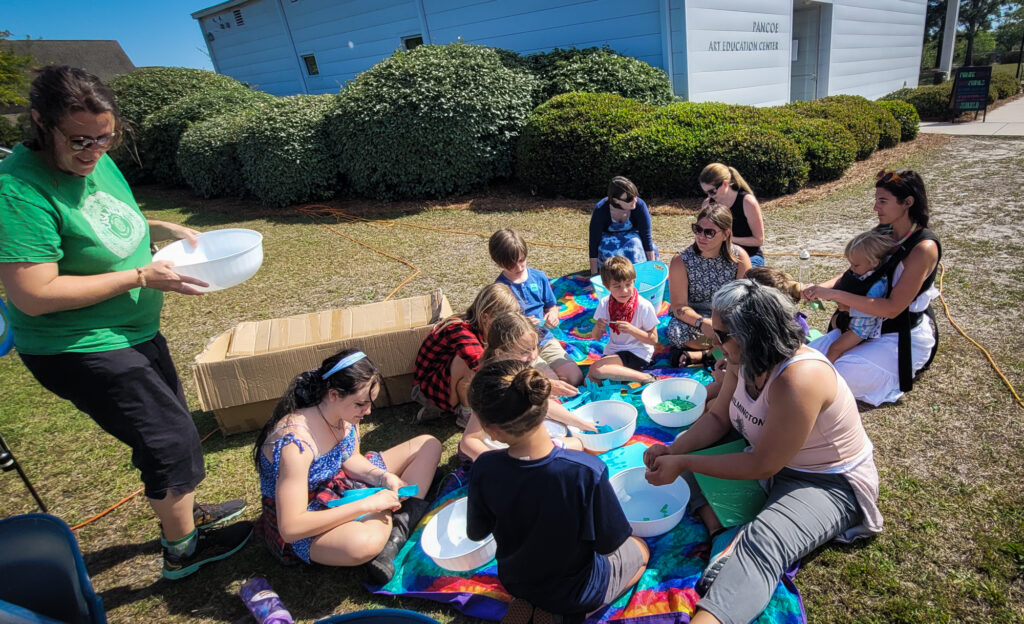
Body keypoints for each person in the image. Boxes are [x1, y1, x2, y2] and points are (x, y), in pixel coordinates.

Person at [0, 65, 250, 580]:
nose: (93, 152)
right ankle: (183, 551)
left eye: (105, 139)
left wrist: (152, 224)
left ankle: (186, 516)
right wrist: (138, 274)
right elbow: (33, 295)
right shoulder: (16, 192)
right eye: (79, 141)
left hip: (132, 331)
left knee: (173, 427)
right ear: (40, 124)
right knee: (169, 441)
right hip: (77, 344)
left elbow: (104, 212)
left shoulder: (96, 161)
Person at [644, 280, 882, 624]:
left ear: (753, 335)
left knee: (764, 542)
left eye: (722, 333)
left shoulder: (800, 378)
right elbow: (716, 416)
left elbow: (761, 463)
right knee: (687, 462)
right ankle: (722, 534)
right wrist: (673, 451)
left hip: (826, 481)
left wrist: (683, 462)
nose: (714, 339)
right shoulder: (741, 359)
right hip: (768, 461)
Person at [466, 359, 649, 621]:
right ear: (545, 403)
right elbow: (610, 544)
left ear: (491, 431)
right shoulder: (587, 472)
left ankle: (535, 606)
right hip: (577, 592)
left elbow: (477, 532)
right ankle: (575, 615)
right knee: (641, 550)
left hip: (516, 582)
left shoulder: (484, 467)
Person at [253, 349, 442, 584]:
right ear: (333, 395)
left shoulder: (343, 416)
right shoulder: (296, 444)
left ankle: (394, 533)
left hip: (341, 485)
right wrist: (369, 503)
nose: (368, 411)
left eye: (370, 402)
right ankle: (395, 528)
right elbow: (291, 527)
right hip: (311, 514)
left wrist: (384, 478)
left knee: (429, 445)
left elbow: (350, 459)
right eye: (361, 404)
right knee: (363, 544)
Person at [804, 170, 941, 405]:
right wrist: (818, 288)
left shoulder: (923, 248)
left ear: (907, 203)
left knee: (840, 373)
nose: (876, 207)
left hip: (899, 333)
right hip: (864, 325)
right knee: (807, 362)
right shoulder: (884, 232)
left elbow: (892, 309)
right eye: (876, 200)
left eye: (883, 201)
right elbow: (859, 270)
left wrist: (834, 293)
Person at [458, 312, 589, 461]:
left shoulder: (521, 371)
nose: (533, 356)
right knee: (575, 444)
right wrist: (499, 464)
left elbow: (546, 404)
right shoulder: (491, 386)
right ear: (500, 353)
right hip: (502, 450)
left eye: (534, 348)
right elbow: (468, 440)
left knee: (574, 440)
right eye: (525, 352)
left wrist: (582, 424)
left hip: (518, 440)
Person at [411, 283, 520, 425]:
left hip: (443, 382)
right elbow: (480, 364)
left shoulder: (478, 326)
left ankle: (455, 406)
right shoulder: (459, 329)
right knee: (471, 363)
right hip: (428, 391)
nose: (505, 328)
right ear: (486, 317)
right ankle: (463, 413)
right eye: (502, 323)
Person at [489, 228, 583, 385]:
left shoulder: (538, 277)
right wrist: (522, 325)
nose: (519, 268)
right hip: (523, 348)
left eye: (521, 260)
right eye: (511, 265)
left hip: (545, 338)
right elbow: (501, 327)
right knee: (548, 384)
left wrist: (553, 315)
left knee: (575, 378)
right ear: (499, 262)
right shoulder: (500, 289)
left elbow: (551, 305)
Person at [666, 204, 751, 367]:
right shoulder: (681, 261)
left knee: (749, 326)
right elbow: (679, 307)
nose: (701, 236)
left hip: (728, 316)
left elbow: (745, 299)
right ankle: (723, 352)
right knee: (676, 331)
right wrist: (701, 322)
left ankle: (704, 355)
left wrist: (724, 323)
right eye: (697, 229)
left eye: (709, 232)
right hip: (696, 318)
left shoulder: (739, 257)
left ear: (726, 234)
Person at [822, 230, 894, 363]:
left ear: (874, 263)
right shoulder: (864, 273)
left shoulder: (876, 286)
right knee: (834, 324)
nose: (852, 268)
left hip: (860, 328)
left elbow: (871, 311)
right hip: (853, 320)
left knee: (835, 348)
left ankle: (827, 370)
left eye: (855, 265)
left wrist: (848, 308)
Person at [589, 256, 660, 385]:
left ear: (634, 281)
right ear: (606, 286)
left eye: (628, 284)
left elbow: (653, 339)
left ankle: (646, 378)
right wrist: (598, 327)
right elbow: (596, 337)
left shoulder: (643, 305)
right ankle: (623, 380)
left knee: (596, 369)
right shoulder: (605, 303)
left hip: (638, 352)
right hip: (614, 351)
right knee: (590, 380)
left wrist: (632, 330)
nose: (624, 291)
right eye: (617, 286)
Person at [699, 163, 765, 266]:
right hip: (720, 256)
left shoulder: (747, 202)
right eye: (706, 192)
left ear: (725, 184)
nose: (709, 196)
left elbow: (759, 240)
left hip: (750, 256)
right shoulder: (707, 204)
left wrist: (727, 239)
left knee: (742, 281)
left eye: (712, 191)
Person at [589, 176, 657, 274]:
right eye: (629, 198)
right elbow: (593, 243)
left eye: (635, 195)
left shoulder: (640, 206)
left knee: (635, 246)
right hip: (608, 241)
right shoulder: (600, 209)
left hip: (633, 239)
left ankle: (638, 272)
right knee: (614, 252)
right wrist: (594, 275)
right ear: (616, 200)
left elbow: (646, 237)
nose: (635, 200)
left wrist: (652, 270)